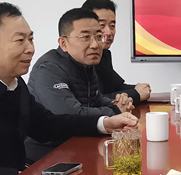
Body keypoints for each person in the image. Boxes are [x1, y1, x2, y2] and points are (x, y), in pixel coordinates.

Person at [0, 3, 137, 175]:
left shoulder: (13, 83)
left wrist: (104, 123)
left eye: (31, 39)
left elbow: (46, 125)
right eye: (20, 41)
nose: (30, 49)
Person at [25, 8, 133, 162]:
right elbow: (70, 113)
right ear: (63, 43)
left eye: (98, 36)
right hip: (48, 155)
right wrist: (115, 111)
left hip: (81, 144)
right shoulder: (49, 68)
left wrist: (117, 103)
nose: (95, 45)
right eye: (85, 37)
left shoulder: (86, 64)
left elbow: (96, 99)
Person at [80, 0, 151, 107]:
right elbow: (94, 101)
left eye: (112, 26)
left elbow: (116, 87)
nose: (109, 32)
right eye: (102, 25)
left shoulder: (104, 54)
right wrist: (136, 94)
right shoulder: (79, 57)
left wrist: (140, 89)